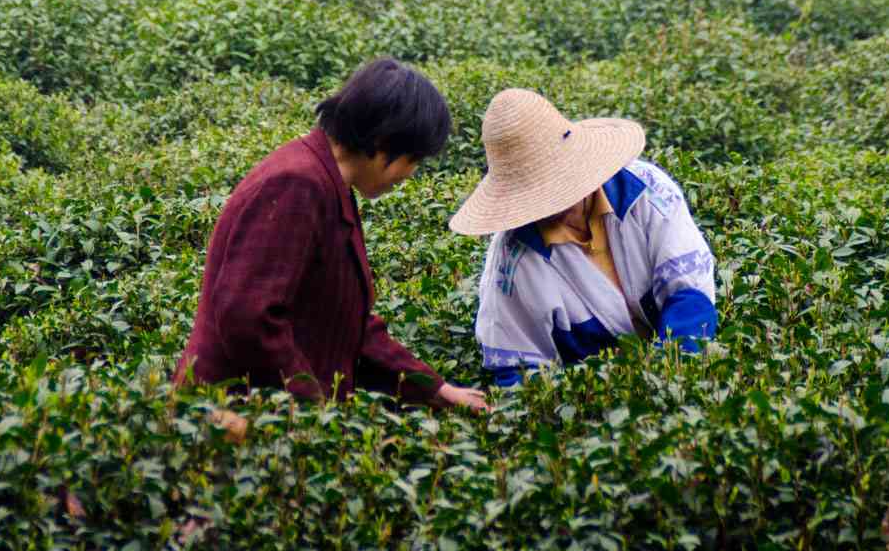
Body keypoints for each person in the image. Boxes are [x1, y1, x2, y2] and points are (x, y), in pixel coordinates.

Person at [175, 58, 489, 411]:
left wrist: (436, 389)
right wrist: (314, 408)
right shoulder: (298, 183)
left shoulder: (327, 183)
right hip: (235, 420)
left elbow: (347, 323)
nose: (410, 173)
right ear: (384, 142)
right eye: (413, 159)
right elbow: (248, 318)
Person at [449, 89, 717, 386]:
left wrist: (666, 378)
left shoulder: (646, 192)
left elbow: (692, 296)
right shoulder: (510, 261)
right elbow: (518, 371)